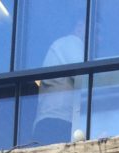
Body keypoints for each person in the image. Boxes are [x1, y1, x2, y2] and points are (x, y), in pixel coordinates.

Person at [32, 17, 86, 145]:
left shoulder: (60, 46)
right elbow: (85, 78)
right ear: (79, 27)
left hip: (50, 120)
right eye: (97, 32)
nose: (99, 38)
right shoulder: (71, 42)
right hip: (58, 120)